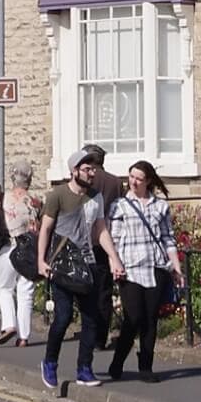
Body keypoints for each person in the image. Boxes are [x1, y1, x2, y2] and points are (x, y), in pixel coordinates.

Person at [37, 149, 126, 392]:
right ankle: (50, 362)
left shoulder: (95, 197)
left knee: (91, 319)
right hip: (63, 266)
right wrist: (41, 261)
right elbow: (45, 229)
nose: (91, 173)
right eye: (87, 169)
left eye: (93, 169)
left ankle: (84, 369)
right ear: (74, 171)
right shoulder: (58, 195)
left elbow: (101, 230)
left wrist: (113, 258)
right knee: (63, 317)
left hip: (87, 264)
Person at [106, 160, 182, 382]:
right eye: (131, 177)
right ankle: (118, 360)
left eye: (139, 178)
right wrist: (114, 264)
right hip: (130, 268)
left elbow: (168, 238)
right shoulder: (120, 206)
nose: (133, 182)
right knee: (134, 317)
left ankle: (145, 366)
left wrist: (176, 267)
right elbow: (114, 239)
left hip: (156, 266)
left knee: (150, 319)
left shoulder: (160, 207)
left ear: (148, 181)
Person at [77, 142, 124, 347]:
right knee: (104, 291)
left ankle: (89, 331)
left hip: (86, 241)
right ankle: (100, 337)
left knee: (84, 289)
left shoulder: (86, 181)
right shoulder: (115, 182)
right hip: (107, 243)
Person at [0, 162, 40, 346]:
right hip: (29, 249)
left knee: (4, 288)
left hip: (9, 248)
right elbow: (39, 227)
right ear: (29, 179)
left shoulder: (2, 198)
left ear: (13, 178)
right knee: (26, 291)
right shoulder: (35, 201)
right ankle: (24, 337)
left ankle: (9, 325)